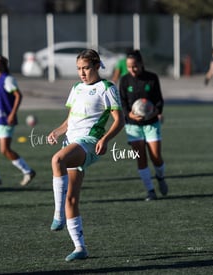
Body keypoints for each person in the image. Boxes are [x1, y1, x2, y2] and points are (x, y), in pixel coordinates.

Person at [47, 49, 124, 261]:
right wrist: (57, 131)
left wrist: (105, 139)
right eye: (79, 69)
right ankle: (80, 247)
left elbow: (119, 120)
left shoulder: (106, 88)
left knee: (57, 159)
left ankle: (57, 215)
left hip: (89, 143)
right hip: (72, 142)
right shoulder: (76, 88)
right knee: (70, 198)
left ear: (97, 66)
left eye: (86, 68)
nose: (82, 73)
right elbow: (70, 120)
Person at [119, 50, 168, 201]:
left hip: (151, 123)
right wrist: (130, 115)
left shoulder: (152, 78)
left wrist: (155, 112)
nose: (132, 70)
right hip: (133, 126)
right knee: (141, 158)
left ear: (141, 64)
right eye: (129, 67)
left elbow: (159, 100)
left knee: (156, 157)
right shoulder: (125, 80)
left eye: (134, 66)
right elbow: (123, 103)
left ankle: (160, 177)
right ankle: (150, 191)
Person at [0, 54, 35, 186]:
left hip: (5, 120)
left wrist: (12, 114)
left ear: (2, 64)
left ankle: (28, 171)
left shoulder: (7, 79)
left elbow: (18, 96)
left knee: (4, 150)